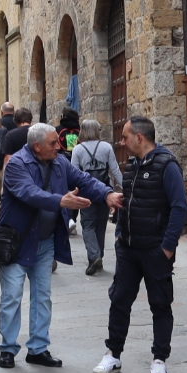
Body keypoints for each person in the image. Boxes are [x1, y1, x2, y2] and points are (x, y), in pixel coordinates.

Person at [0, 122, 121, 370]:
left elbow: (84, 180)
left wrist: (106, 193)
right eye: (53, 143)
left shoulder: (60, 163)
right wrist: (60, 201)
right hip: (18, 241)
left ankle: (38, 348)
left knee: (43, 296)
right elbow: (28, 192)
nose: (59, 146)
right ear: (37, 146)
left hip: (44, 242)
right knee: (11, 297)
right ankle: (8, 350)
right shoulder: (17, 165)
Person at [95, 116, 187, 373]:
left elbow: (179, 207)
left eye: (125, 137)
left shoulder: (167, 165)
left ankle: (159, 360)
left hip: (155, 250)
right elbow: (125, 204)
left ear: (140, 138)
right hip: (127, 248)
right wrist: (118, 235)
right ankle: (113, 354)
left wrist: (168, 247)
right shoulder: (132, 166)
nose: (121, 142)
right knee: (119, 300)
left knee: (160, 304)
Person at [70, 116, 123, 275]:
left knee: (88, 225)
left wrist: (73, 193)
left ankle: (94, 256)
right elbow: (115, 170)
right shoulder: (106, 147)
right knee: (101, 224)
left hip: (86, 192)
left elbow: (74, 173)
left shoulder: (78, 150)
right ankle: (98, 256)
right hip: (104, 191)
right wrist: (126, 187)